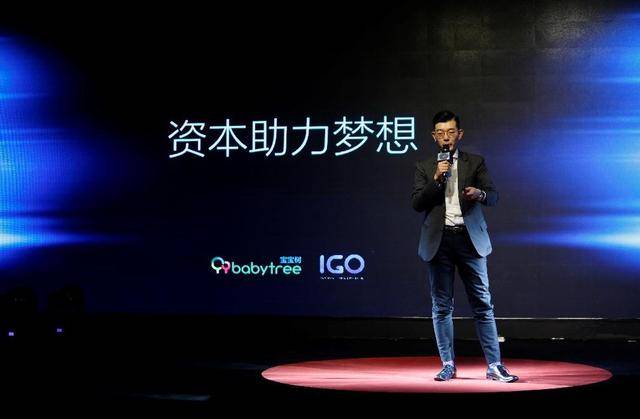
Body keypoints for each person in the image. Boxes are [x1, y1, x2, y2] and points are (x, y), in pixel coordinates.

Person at [411, 110, 518, 383]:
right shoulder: (425, 166)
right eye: (440, 133)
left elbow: (493, 196)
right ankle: (447, 364)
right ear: (434, 136)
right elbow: (417, 203)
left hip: (470, 241)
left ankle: (494, 365)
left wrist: (479, 194)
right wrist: (437, 178)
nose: (446, 137)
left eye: (451, 132)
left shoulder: (475, 163)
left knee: (482, 303)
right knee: (441, 306)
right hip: (439, 241)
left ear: (459, 134)